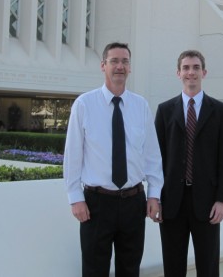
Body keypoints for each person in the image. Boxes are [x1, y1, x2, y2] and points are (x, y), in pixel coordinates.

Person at [63, 42, 163, 277]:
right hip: (96, 204)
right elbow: (73, 155)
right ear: (103, 66)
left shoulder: (141, 106)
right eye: (114, 61)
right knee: (94, 269)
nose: (120, 66)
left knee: (130, 269)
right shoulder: (84, 104)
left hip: (134, 202)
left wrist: (154, 194)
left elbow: (152, 156)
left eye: (125, 61)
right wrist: (75, 198)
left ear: (130, 68)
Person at [155, 50, 223, 277]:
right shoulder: (164, 111)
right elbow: (156, 159)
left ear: (204, 72)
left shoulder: (219, 111)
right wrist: (155, 197)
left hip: (207, 203)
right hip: (171, 202)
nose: (191, 72)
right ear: (178, 73)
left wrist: (222, 200)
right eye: (186, 68)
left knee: (208, 267)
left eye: (196, 67)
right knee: (173, 266)